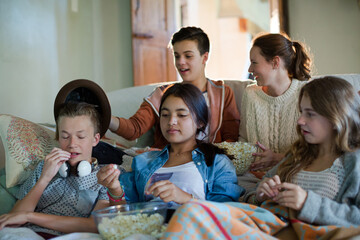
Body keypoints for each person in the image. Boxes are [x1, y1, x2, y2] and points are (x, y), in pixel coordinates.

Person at [163, 76, 360, 239]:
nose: (300, 121)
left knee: (194, 212)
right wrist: (261, 193)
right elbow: (254, 198)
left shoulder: (353, 162)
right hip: (268, 227)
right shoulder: (298, 155)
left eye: (310, 114)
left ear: (336, 118)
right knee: (193, 213)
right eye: (301, 112)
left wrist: (307, 202)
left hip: (305, 234)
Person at [97, 83, 243, 208]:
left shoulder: (217, 162)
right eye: (165, 115)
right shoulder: (144, 161)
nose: (171, 121)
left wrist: (184, 198)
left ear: (200, 122)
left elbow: (226, 213)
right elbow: (125, 216)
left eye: (181, 115)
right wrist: (114, 189)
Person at [109, 26, 240, 148]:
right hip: (169, 163)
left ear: (204, 57)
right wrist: (106, 118)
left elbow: (231, 139)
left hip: (208, 164)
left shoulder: (222, 93)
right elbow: (134, 129)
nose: (180, 62)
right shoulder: (162, 94)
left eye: (188, 56)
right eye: (176, 56)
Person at [0, 102, 109, 238]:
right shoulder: (44, 166)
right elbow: (13, 219)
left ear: (95, 139)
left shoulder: (106, 177)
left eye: (80, 137)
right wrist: (44, 178)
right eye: (65, 136)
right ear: (58, 138)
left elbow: (94, 226)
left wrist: (30, 217)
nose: (72, 144)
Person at [239, 32, 312, 172]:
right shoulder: (250, 94)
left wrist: (279, 158)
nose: (249, 69)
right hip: (254, 178)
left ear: (275, 62)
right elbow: (244, 139)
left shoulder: (307, 93)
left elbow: (317, 149)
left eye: (254, 62)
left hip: (294, 175)